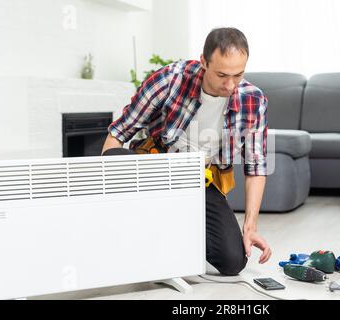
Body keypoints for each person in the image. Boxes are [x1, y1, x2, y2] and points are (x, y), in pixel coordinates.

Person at [101, 27, 271, 276]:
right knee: (112, 159)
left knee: (233, 262)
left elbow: (256, 168)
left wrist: (251, 227)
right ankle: (156, 223)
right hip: (156, 170)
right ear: (203, 62)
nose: (230, 85)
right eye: (222, 74)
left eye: (238, 75)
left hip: (200, 180)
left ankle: (175, 223)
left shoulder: (254, 100)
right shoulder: (169, 79)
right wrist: (108, 203)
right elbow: (118, 133)